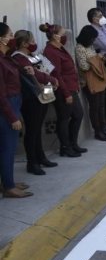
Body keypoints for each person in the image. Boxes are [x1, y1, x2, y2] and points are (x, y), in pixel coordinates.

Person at [12, 30, 59, 175]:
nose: (34, 43)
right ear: (24, 43)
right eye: (32, 41)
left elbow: (43, 67)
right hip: (31, 97)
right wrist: (51, 79)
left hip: (43, 92)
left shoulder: (30, 55)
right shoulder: (18, 57)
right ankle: (32, 163)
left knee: (38, 128)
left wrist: (50, 78)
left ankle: (41, 157)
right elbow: (35, 73)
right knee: (32, 131)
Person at [41, 22, 87, 157]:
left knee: (78, 115)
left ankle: (73, 143)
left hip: (71, 87)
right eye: (62, 34)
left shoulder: (59, 48)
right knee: (64, 118)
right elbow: (57, 75)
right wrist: (66, 93)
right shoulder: (50, 51)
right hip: (63, 90)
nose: (65, 36)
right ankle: (65, 147)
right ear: (55, 36)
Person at [0, 23, 33, 198]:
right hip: (7, 107)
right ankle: (9, 187)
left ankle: (7, 181)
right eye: (9, 34)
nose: (12, 38)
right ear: (1, 39)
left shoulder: (7, 57)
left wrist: (24, 68)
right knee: (8, 148)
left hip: (14, 103)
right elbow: (1, 94)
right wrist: (13, 117)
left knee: (6, 147)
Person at [75, 25, 106, 142]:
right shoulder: (80, 48)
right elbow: (84, 66)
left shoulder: (90, 46)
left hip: (98, 78)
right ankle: (97, 131)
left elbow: (92, 62)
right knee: (94, 107)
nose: (93, 41)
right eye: (92, 38)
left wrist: (98, 58)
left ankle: (103, 128)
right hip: (89, 80)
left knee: (101, 105)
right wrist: (97, 59)